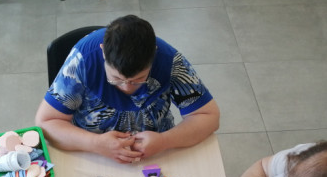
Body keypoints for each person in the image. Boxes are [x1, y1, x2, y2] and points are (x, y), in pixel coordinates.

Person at [35, 15, 220, 164]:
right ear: (103, 52)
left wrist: (165, 141)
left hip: (156, 150)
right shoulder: (82, 60)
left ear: (153, 55)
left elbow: (209, 117)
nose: (127, 87)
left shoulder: (170, 61)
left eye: (138, 80)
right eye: (116, 79)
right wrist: (96, 143)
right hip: (91, 152)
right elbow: (46, 122)